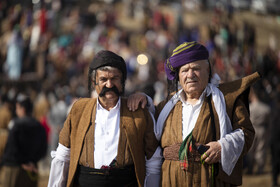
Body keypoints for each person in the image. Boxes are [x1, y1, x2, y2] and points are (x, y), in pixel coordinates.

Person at [128, 41, 260, 186]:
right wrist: (143, 98)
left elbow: (246, 133)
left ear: (208, 71)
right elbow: (150, 123)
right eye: (184, 70)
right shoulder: (166, 106)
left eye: (196, 68)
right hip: (170, 181)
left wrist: (223, 146)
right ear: (178, 75)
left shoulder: (227, 100)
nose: (190, 75)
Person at [47, 50, 161, 187]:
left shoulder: (137, 112)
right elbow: (62, 156)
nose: (109, 85)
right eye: (103, 79)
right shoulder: (79, 110)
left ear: (123, 81)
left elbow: (153, 161)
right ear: (94, 82)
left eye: (114, 79)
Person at [0, 94, 47, 187]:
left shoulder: (16, 124)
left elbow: (12, 147)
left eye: (17, 108)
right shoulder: (39, 126)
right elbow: (43, 149)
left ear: (23, 109)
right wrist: (32, 162)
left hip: (14, 169)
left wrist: (23, 162)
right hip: (32, 169)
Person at [246, 86, 271, 174]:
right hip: (262, 129)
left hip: (252, 129)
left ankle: (250, 168)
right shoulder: (266, 108)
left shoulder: (249, 107)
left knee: (250, 150)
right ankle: (260, 169)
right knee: (261, 149)